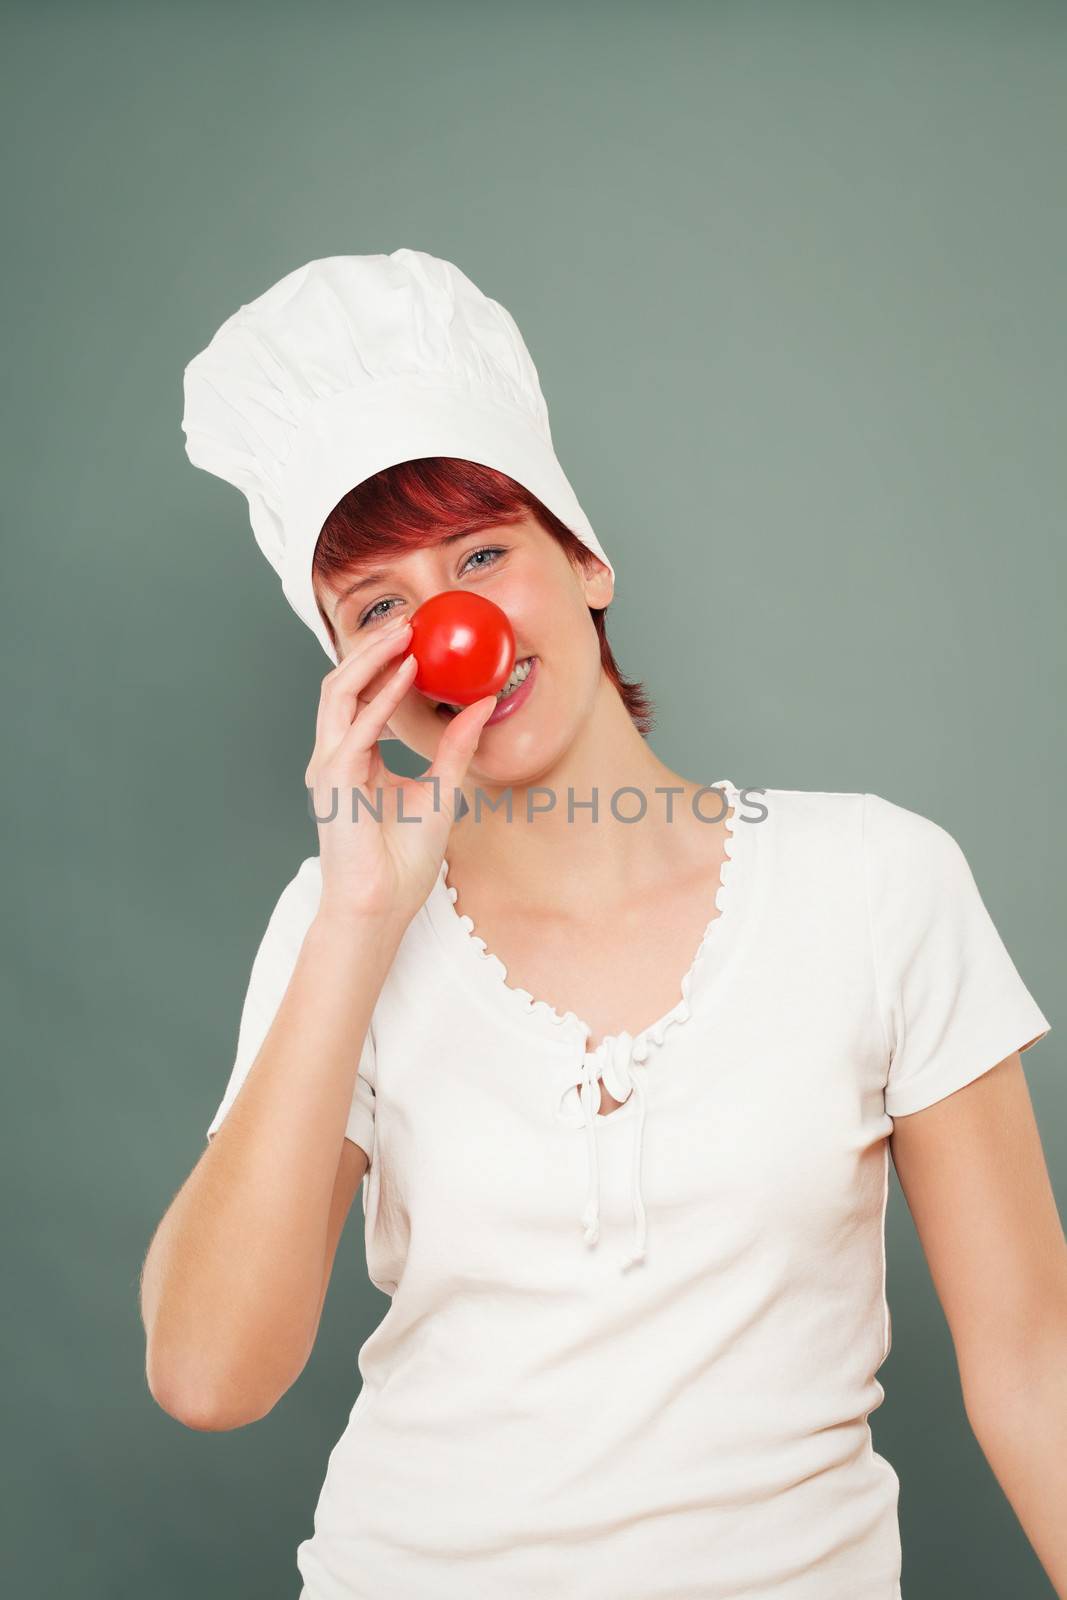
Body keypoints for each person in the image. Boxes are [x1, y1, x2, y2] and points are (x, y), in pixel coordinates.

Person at [140, 250, 1063, 1600]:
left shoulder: (879, 882)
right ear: (350, 673)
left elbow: (1034, 1356)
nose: (450, 625)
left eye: (483, 555)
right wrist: (356, 925)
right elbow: (209, 1373)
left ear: (586, 561)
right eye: (379, 606)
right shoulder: (335, 919)